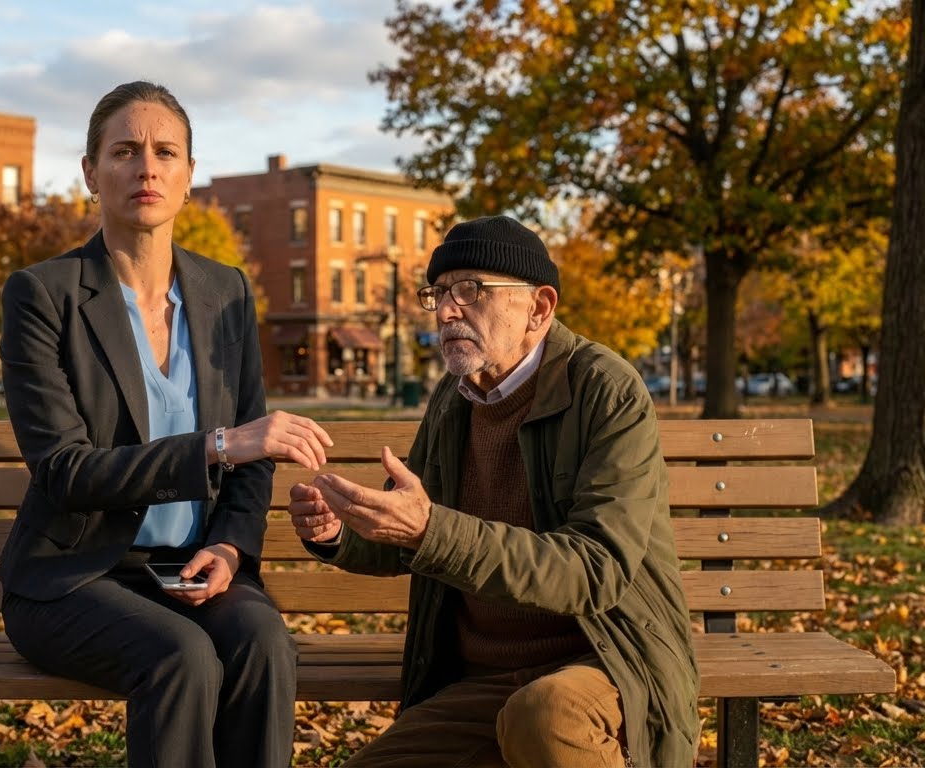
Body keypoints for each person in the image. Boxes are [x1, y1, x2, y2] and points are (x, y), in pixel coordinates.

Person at [0, 80, 333, 768]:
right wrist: (217, 445)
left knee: (262, 642)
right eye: (123, 151)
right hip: (73, 577)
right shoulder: (43, 295)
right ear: (91, 174)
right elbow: (64, 472)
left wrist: (234, 549)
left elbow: (254, 456)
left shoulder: (226, 293)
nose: (145, 167)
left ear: (187, 176)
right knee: (180, 658)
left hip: (192, 570)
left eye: (164, 152)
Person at [289, 215, 699, 768]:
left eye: (470, 290)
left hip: (604, 660)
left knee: (545, 717)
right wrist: (340, 533)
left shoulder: (606, 390)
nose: (447, 310)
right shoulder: (453, 400)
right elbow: (412, 536)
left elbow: (596, 569)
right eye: (438, 293)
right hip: (482, 679)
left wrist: (430, 528)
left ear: (539, 307)